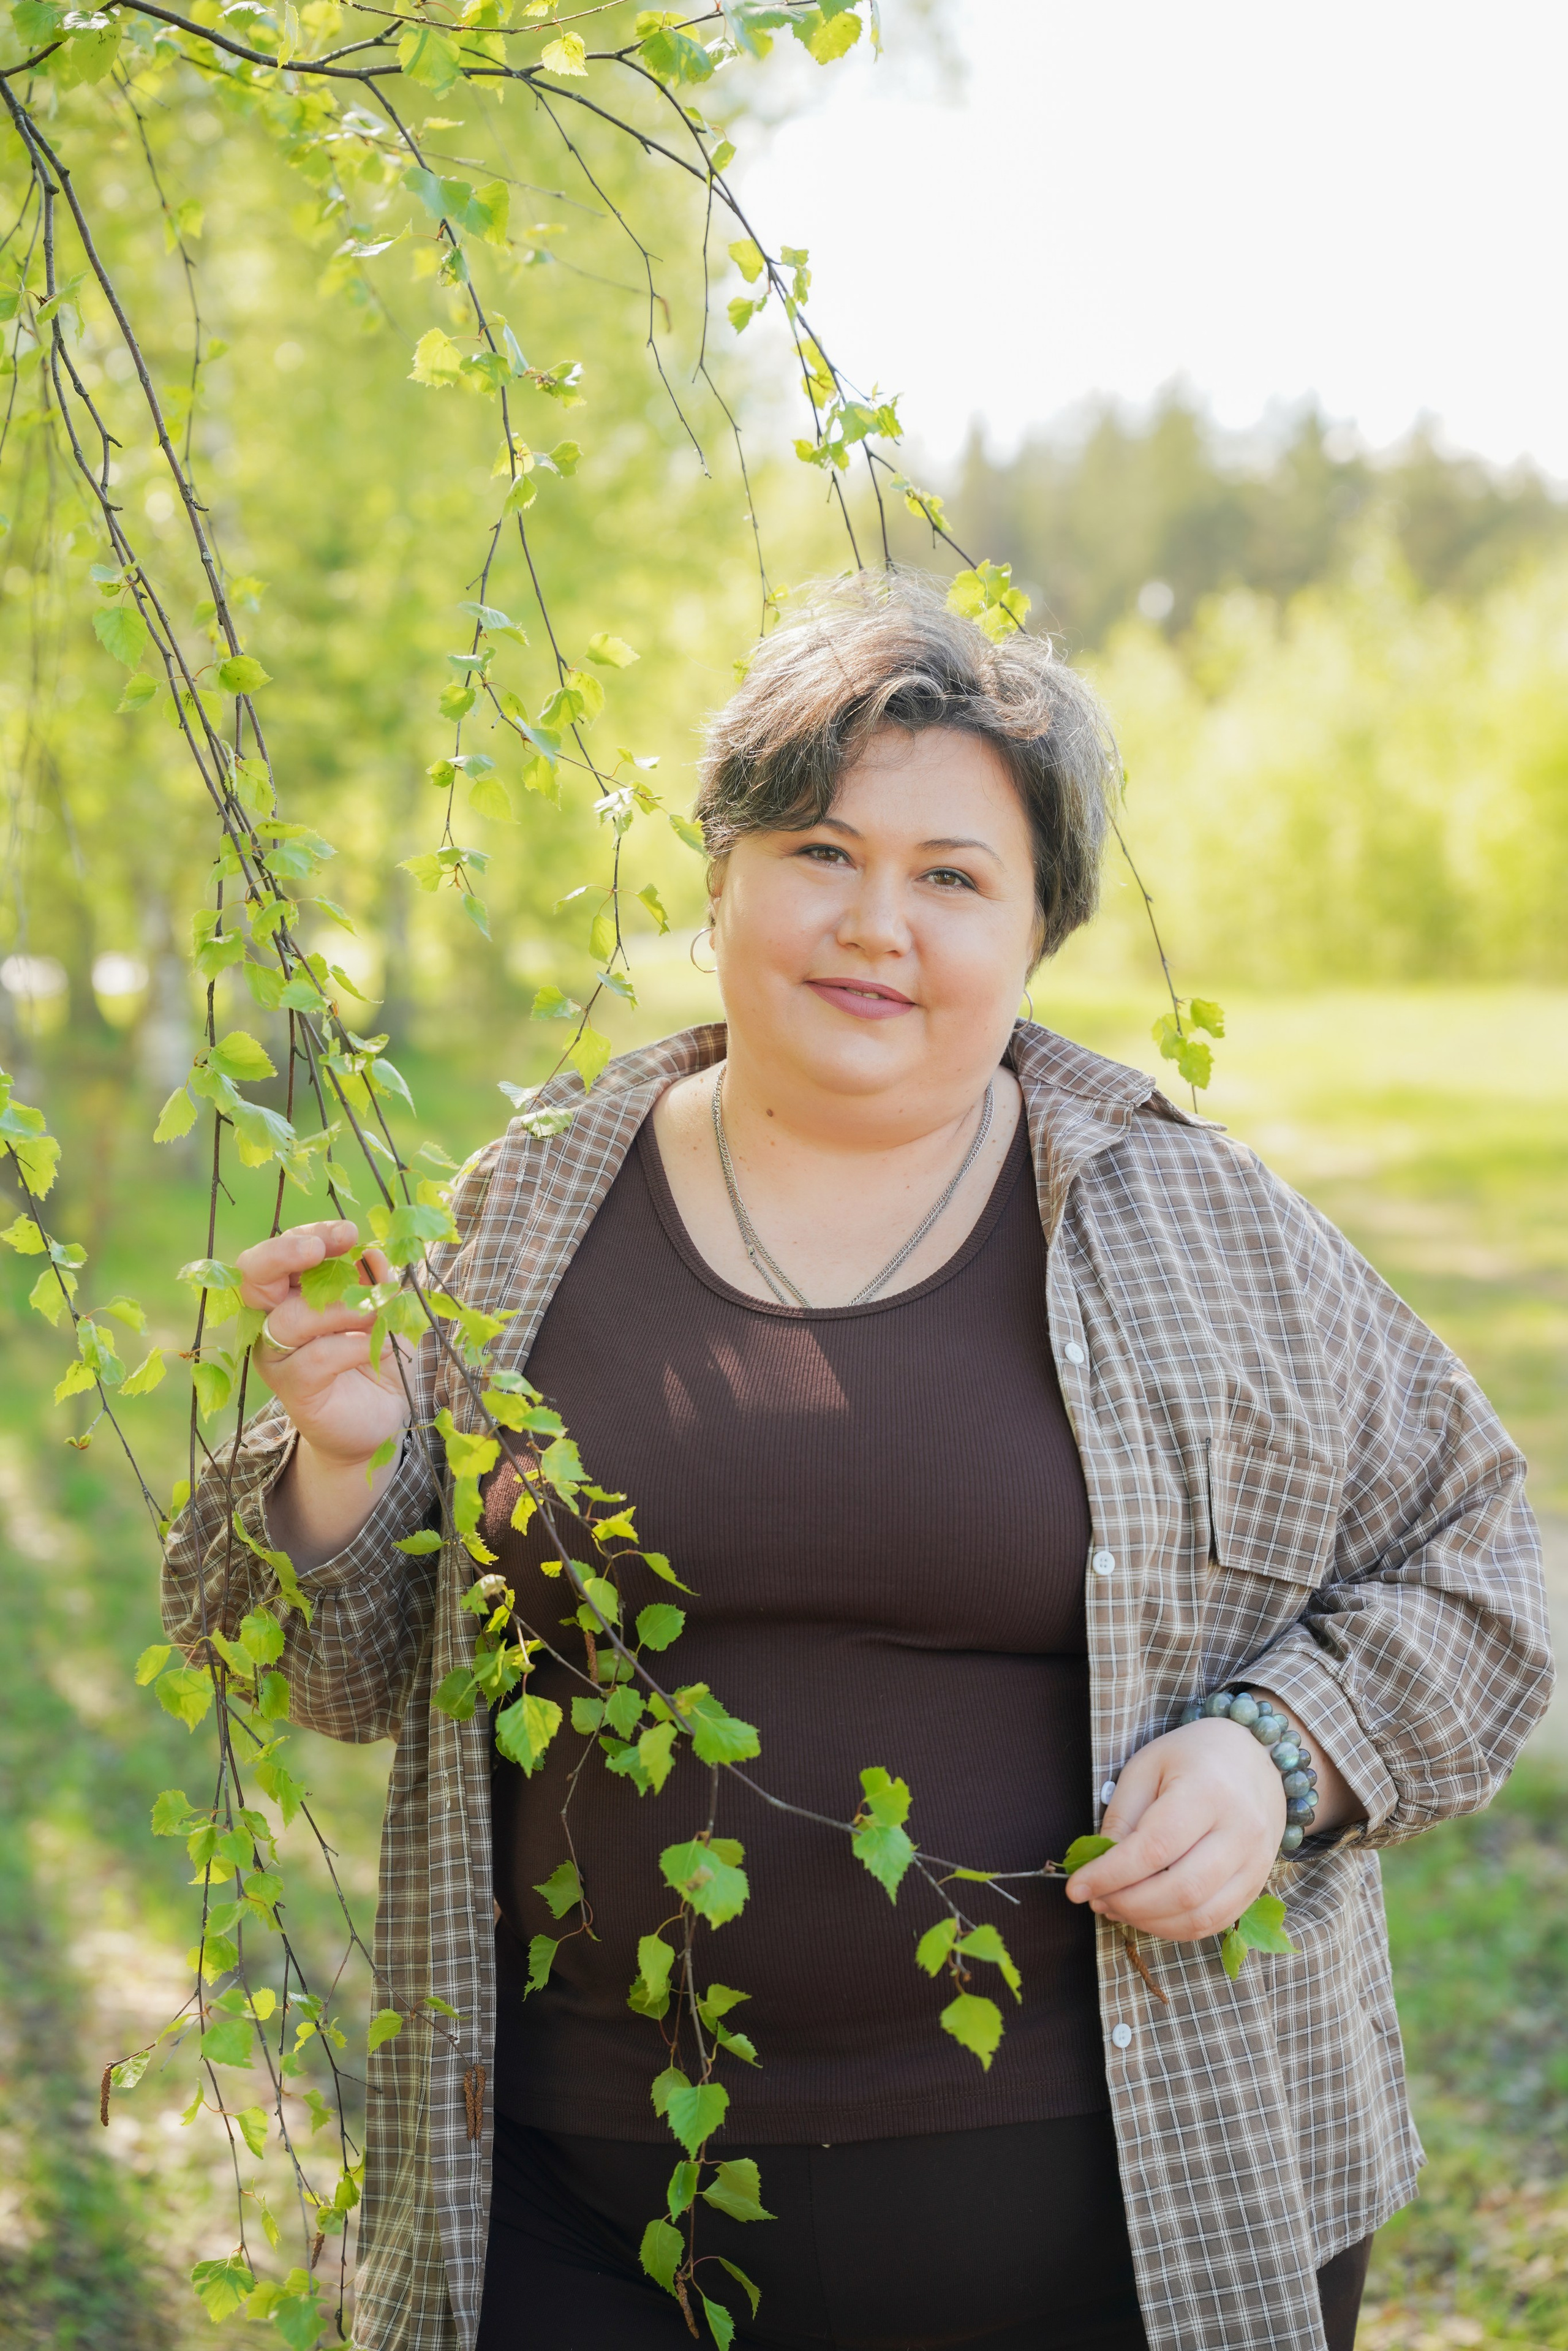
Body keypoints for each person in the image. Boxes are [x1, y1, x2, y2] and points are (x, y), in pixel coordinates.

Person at [165, 573, 1554, 2351]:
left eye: (952, 877)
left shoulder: (1195, 1225)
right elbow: (327, 1666)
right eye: (821, 850)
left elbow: (1480, 1561)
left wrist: (1279, 1753)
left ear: (1036, 928)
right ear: (723, 877)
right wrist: (345, 1468)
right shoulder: (525, 1220)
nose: (874, 923)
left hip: (1130, 2210)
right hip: (579, 2210)